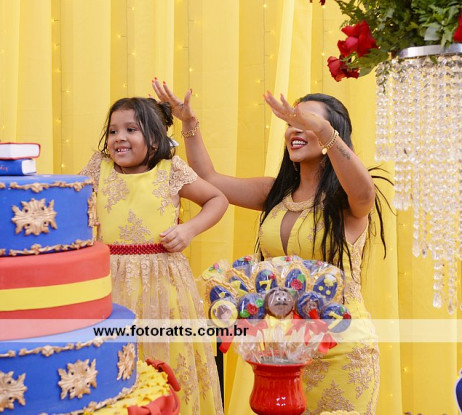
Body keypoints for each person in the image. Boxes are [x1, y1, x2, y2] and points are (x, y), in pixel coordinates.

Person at [152, 79, 389, 414]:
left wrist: (323, 130)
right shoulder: (275, 193)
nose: (294, 129)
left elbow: (365, 191)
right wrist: (189, 123)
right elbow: (209, 180)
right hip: (282, 356)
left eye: (305, 121)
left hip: (342, 350)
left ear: (328, 133)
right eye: (290, 123)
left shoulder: (347, 201)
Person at [80, 96, 227, 415]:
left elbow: (217, 199)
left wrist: (189, 230)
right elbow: (71, 201)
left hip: (164, 284)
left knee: (167, 355)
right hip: (109, 283)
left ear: (155, 139)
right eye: (113, 131)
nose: (119, 138)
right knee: (117, 363)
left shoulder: (170, 169)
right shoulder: (98, 168)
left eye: (130, 130)